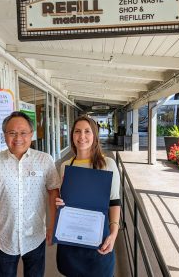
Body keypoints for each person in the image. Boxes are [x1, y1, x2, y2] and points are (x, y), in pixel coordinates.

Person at [0, 111, 60, 277]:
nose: (18, 138)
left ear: (31, 135)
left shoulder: (44, 160)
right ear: (4, 135)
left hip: (36, 236)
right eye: (12, 133)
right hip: (4, 238)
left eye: (23, 133)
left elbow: (53, 193)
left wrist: (52, 225)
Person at [56, 115, 121, 277]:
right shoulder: (65, 166)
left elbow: (114, 202)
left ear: (95, 136)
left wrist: (113, 234)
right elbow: (65, 200)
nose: (82, 136)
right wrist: (60, 203)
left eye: (87, 131)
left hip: (97, 238)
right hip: (70, 238)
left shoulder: (107, 165)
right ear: (72, 135)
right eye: (77, 131)